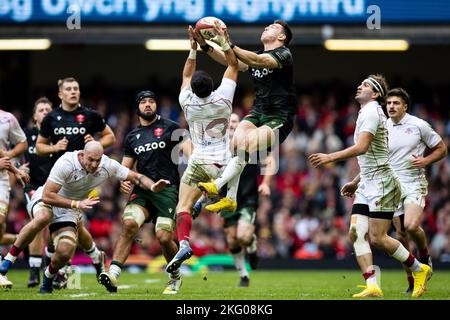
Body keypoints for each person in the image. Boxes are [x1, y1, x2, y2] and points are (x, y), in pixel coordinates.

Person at [309, 75, 431, 298]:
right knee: (356, 232)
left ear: (375, 94)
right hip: (368, 182)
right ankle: (372, 285)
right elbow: (371, 156)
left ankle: (419, 269)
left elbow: (362, 147)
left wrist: (330, 157)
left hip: (382, 183)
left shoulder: (373, 112)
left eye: (365, 85)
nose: (359, 86)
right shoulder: (366, 112)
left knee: (378, 238)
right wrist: (357, 181)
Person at [0, 141, 169, 292]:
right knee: (44, 217)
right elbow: (47, 195)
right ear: (81, 155)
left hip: (69, 210)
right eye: (91, 160)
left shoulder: (107, 165)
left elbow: (136, 177)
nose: (95, 164)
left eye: (98, 160)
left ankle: (49, 277)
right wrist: (77, 204)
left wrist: (152, 186)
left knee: (65, 251)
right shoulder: (67, 162)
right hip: (47, 200)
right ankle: (6, 263)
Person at [193, 20, 296, 212]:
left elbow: (258, 61)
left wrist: (228, 43)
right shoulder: (256, 55)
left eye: (272, 27)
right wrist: (206, 46)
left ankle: (218, 185)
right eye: (267, 25)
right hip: (258, 111)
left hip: (280, 116)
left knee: (248, 144)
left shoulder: (284, 54)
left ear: (281, 37)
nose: (266, 27)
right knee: (236, 143)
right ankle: (231, 199)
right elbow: (231, 62)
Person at [164, 24, 239, 276]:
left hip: (198, 159)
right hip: (221, 163)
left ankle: (184, 242)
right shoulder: (224, 99)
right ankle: (206, 198)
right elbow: (232, 64)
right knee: (209, 193)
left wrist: (193, 49)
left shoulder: (187, 103)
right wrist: (222, 42)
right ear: (212, 86)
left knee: (181, 208)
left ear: (194, 90)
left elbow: (186, 76)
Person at [98, 89, 191, 295]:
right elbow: (126, 167)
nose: (147, 105)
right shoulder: (132, 137)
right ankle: (113, 273)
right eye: (143, 102)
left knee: (164, 237)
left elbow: (189, 151)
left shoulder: (171, 127)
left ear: (156, 105)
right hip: (142, 191)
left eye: (151, 101)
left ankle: (175, 278)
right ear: (138, 107)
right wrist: (124, 180)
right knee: (129, 224)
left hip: (167, 190)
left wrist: (193, 167)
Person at [36, 77, 116, 284]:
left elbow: (111, 138)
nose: (73, 92)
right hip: (58, 178)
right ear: (60, 94)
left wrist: (97, 142)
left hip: (82, 181)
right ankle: (93, 260)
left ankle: (56, 269)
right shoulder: (51, 118)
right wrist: (54, 148)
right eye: (69, 89)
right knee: (72, 226)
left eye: (76, 89)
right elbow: (39, 147)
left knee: (70, 226)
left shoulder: (90, 115)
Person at [194, 113, 274, 287]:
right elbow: (209, 176)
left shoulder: (251, 143)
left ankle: (252, 245)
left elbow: (269, 160)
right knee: (231, 240)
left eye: (235, 122)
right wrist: (200, 199)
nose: (231, 125)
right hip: (225, 198)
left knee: (243, 237)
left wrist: (266, 183)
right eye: (229, 122)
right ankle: (244, 276)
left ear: (242, 125)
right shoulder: (217, 148)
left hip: (247, 197)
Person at [385, 88, 447, 293]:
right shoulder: (382, 127)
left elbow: (441, 148)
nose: (391, 106)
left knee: (411, 226)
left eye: (396, 103)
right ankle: (413, 283)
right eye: (389, 103)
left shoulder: (419, 125)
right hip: (392, 187)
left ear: (405, 106)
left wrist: (426, 160)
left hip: (413, 183)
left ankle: (426, 258)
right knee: (401, 237)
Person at [21, 97, 53, 287]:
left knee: (55, 229)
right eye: (41, 110)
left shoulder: (58, 135)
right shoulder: (25, 135)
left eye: (48, 109)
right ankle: (34, 272)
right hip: (33, 186)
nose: (45, 112)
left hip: (56, 187)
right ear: (34, 116)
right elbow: (10, 151)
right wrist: (17, 168)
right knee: (39, 222)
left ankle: (52, 267)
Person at [0, 108, 29, 247]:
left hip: (1, 180)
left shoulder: (7, 118)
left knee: (0, 221)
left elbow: (3, 154)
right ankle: (17, 238)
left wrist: (15, 170)